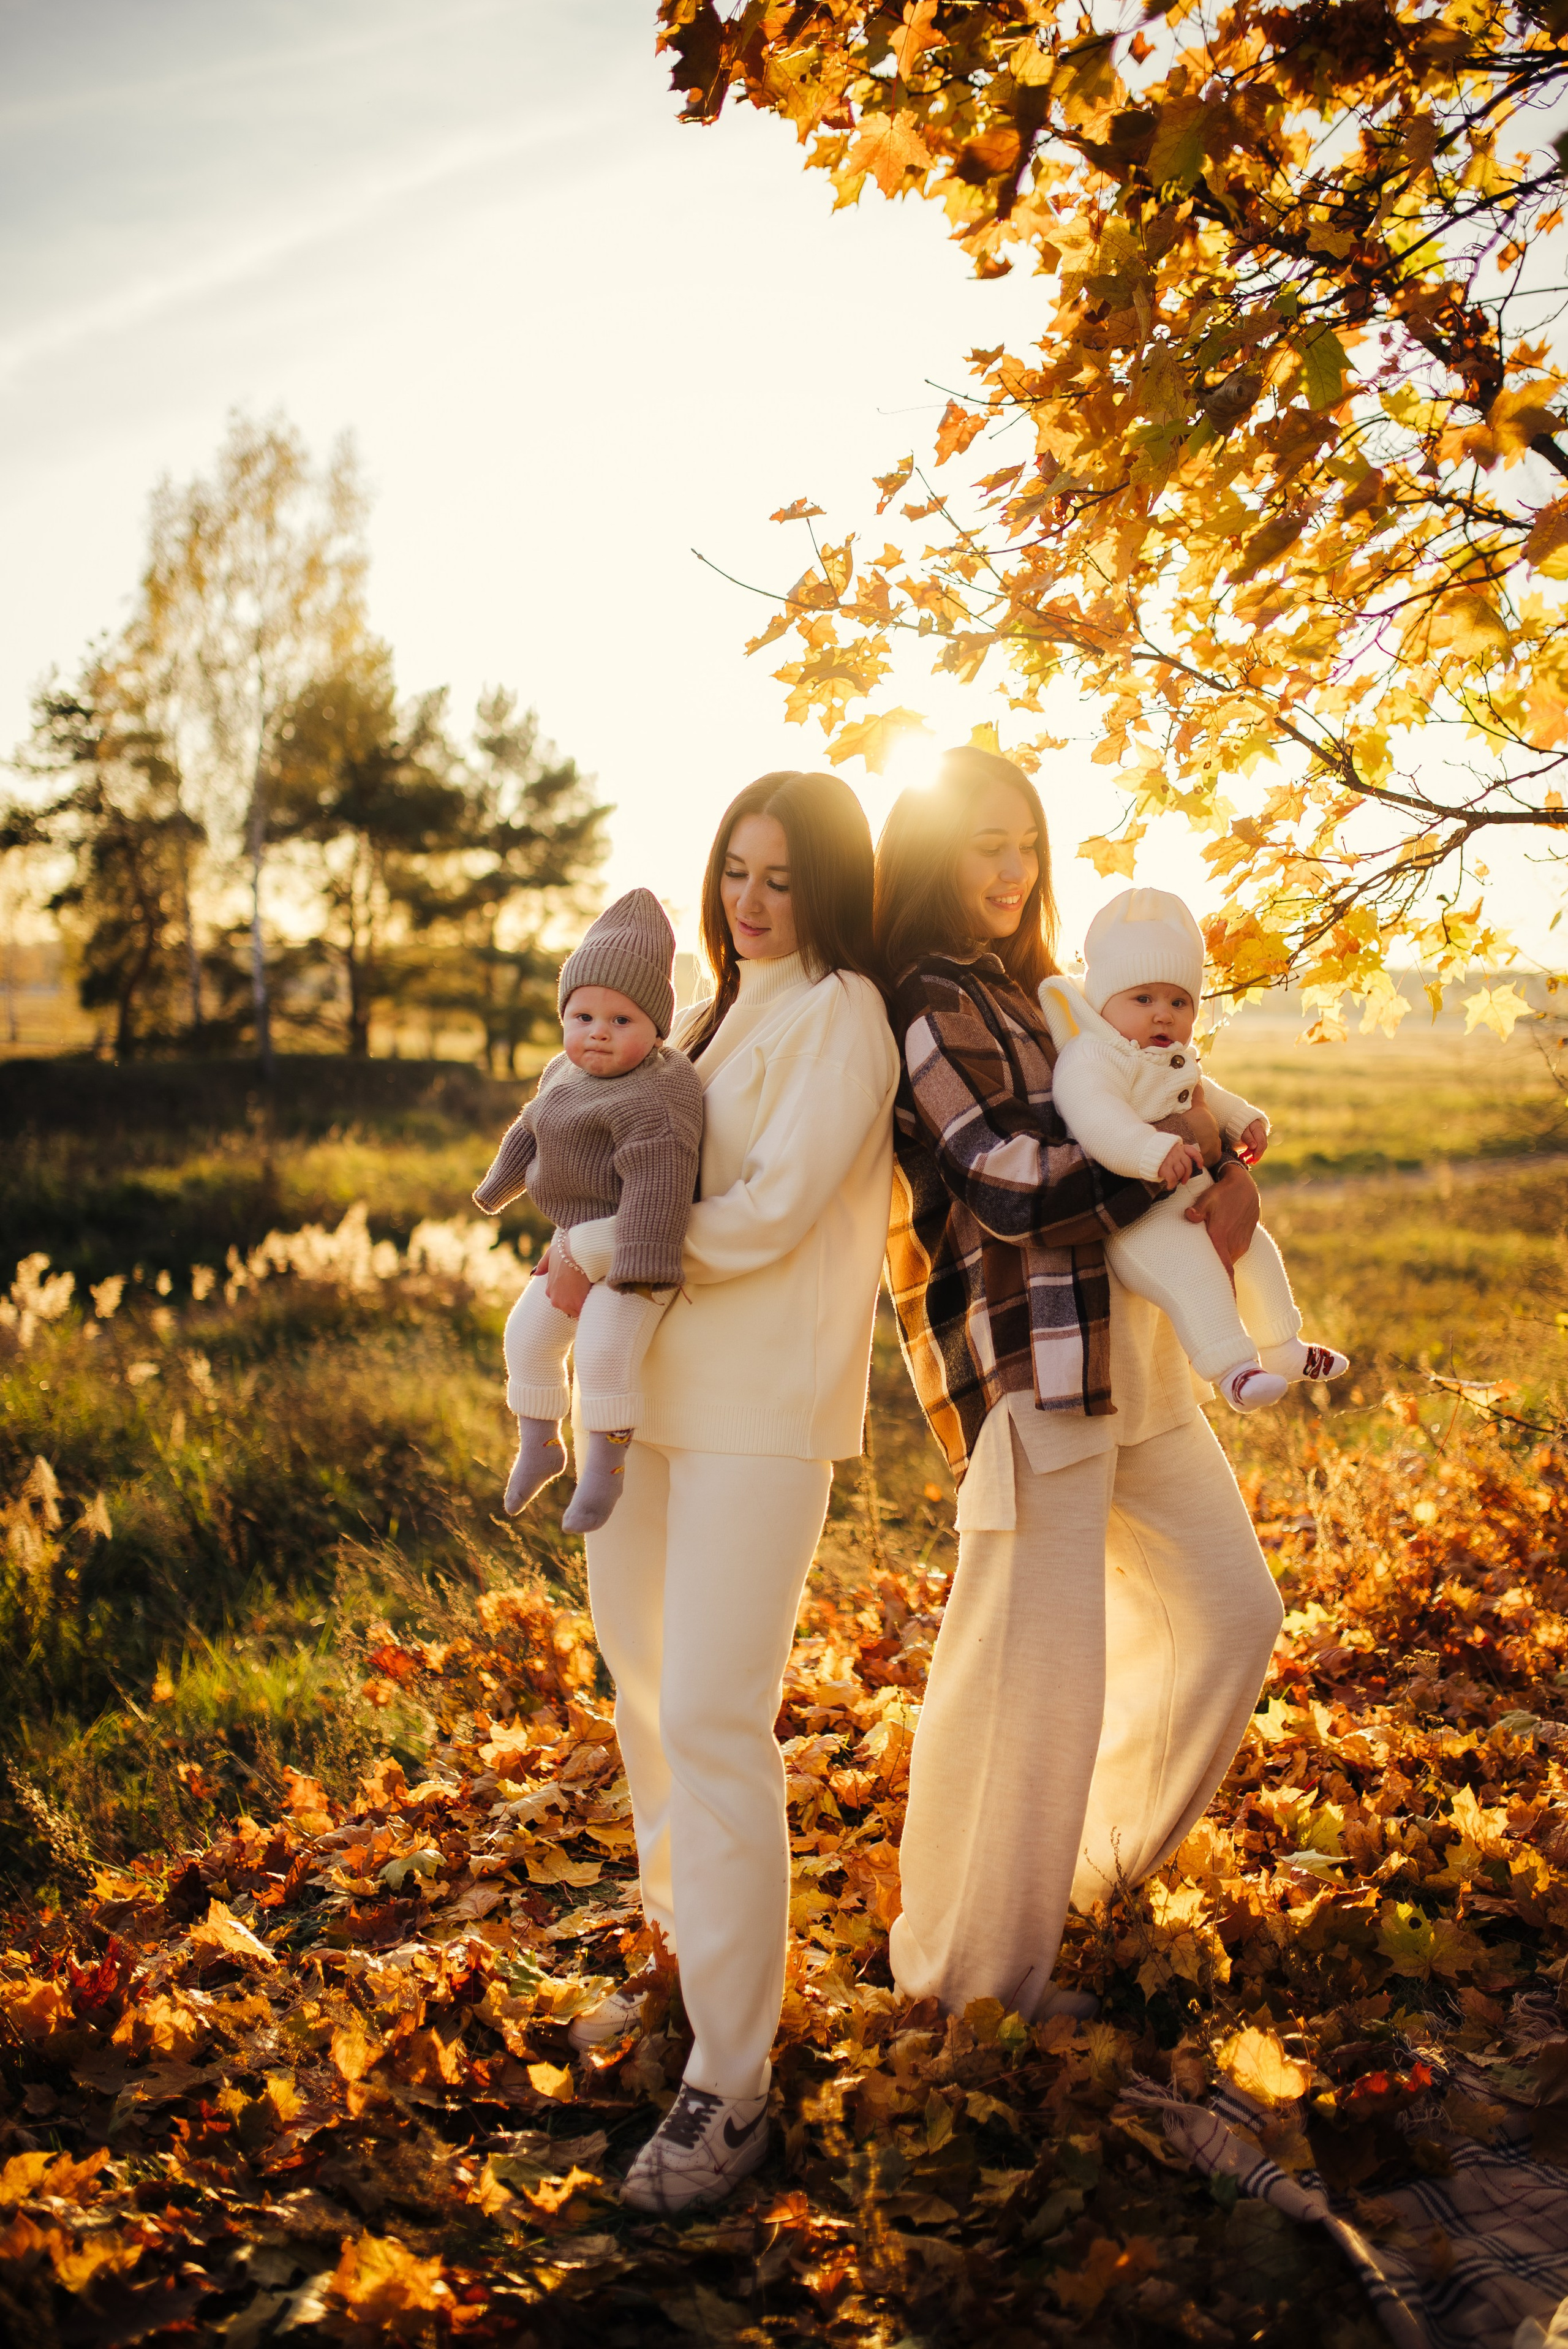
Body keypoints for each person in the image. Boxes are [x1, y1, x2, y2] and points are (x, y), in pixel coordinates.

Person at [876, 746, 1284, 2026]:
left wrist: (1217, 1153)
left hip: (1139, 1359)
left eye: (1023, 843)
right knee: (1026, 1691)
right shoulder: (928, 1002)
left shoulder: (1052, 990)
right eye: (982, 843)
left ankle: (1090, 1871)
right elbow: (1002, 1179)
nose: (1008, 868)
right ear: (932, 853)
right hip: (1032, 1368)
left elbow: (1173, 1101)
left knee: (1229, 1610)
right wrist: (1165, 1162)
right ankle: (968, 1990)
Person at [541, 772, 899, 2214]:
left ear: (826, 891)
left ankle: (732, 2085)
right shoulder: (708, 1012)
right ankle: (684, 1963)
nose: (751, 900)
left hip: (759, 1414)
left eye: (782, 878)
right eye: (735, 870)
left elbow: (760, 1213)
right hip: (649, 1406)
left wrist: (600, 1239)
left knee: (712, 1715)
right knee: (639, 1695)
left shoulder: (844, 1018)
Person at [1040, 886, 1349, 1414]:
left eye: (1178, 1002)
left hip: (1193, 1198)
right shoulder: (1093, 1056)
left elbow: (1209, 1091)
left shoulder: (1171, 1057)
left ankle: (1281, 1346)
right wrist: (1149, 1148)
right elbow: (1096, 1116)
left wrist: (1241, 1120)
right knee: (1195, 1273)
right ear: (1103, 1002)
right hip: (1141, 1221)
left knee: (1255, 1249)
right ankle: (1233, 1371)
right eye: (1144, 999)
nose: (1164, 1015)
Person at [472, 890, 704, 1534]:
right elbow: (530, 1129)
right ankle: (541, 1444)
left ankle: (606, 1466)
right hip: (572, 1235)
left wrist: (637, 1269)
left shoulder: (658, 1090)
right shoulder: (562, 1073)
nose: (597, 1031)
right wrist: (497, 1187)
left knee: (604, 1350)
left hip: (632, 1247)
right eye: (582, 1016)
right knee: (526, 1336)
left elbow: (661, 1185)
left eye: (621, 1020)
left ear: (656, 1027)